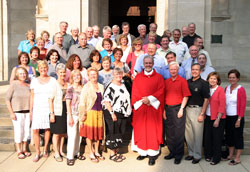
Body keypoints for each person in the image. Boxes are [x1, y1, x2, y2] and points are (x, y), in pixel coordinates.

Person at [131, 56, 165, 166]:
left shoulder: (159, 77)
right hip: (141, 107)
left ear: (153, 63)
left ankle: (152, 154)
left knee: (152, 130)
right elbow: (135, 92)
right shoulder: (138, 77)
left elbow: (161, 91)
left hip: (153, 108)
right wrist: (143, 100)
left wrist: (150, 99)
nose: (148, 65)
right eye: (146, 63)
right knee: (141, 129)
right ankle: (143, 152)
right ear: (143, 64)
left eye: (150, 63)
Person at [163, 62, 191, 165]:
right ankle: (172, 152)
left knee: (178, 133)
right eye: (171, 69)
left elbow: (186, 96)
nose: (173, 71)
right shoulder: (166, 82)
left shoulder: (183, 81)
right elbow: (163, 97)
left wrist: (181, 109)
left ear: (178, 70)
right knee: (169, 133)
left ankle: (178, 155)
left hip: (178, 109)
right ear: (169, 70)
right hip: (168, 109)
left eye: (175, 69)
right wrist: (164, 111)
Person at [103, 67, 132, 162]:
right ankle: (112, 154)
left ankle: (117, 152)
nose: (119, 76)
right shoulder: (111, 86)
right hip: (113, 113)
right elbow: (107, 101)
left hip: (123, 113)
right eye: (117, 74)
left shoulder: (123, 84)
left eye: (120, 74)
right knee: (114, 133)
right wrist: (112, 113)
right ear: (113, 75)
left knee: (121, 132)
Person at [30, 60, 57, 162]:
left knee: (47, 129)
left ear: (47, 68)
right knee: (35, 130)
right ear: (38, 69)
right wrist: (31, 110)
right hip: (37, 108)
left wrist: (52, 112)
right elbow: (31, 96)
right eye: (41, 68)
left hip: (48, 107)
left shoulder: (53, 80)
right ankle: (37, 152)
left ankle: (45, 149)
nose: (43, 69)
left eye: (45, 67)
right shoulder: (34, 81)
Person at [185, 63, 210, 164]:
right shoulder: (187, 82)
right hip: (187, 109)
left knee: (198, 134)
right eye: (193, 69)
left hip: (198, 110)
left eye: (196, 70)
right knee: (189, 134)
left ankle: (197, 155)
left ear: (200, 71)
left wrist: (202, 113)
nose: (194, 71)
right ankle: (191, 153)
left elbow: (206, 100)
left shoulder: (204, 83)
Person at [79, 67, 105, 163]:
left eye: (95, 74)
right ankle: (90, 152)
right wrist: (83, 114)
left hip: (99, 112)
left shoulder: (101, 86)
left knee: (98, 134)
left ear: (97, 75)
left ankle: (97, 151)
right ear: (88, 76)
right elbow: (82, 102)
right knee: (90, 135)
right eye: (91, 75)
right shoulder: (86, 86)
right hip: (90, 112)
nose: (93, 76)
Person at [6, 67, 32, 159]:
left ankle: (25, 149)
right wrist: (11, 112)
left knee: (26, 132)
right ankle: (19, 150)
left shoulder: (28, 86)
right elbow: (7, 99)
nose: (23, 75)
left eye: (24, 73)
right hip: (17, 112)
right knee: (18, 131)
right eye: (20, 74)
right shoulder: (14, 85)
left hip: (28, 112)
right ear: (17, 75)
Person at [225, 69, 246, 165]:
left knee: (238, 137)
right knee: (229, 136)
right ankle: (230, 155)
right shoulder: (226, 88)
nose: (231, 79)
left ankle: (237, 158)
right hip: (228, 117)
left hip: (237, 117)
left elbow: (242, 105)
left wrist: (239, 119)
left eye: (233, 77)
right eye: (230, 77)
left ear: (238, 78)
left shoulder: (241, 89)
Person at [204, 72, 226, 165]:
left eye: (214, 79)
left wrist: (218, 119)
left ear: (218, 80)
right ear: (208, 79)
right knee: (207, 138)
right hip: (208, 117)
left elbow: (222, 105)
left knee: (217, 139)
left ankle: (216, 158)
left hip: (218, 118)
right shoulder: (207, 89)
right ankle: (208, 155)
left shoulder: (220, 90)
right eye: (211, 78)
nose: (212, 80)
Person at [49, 63, 68, 162]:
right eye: (60, 72)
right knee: (56, 133)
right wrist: (51, 113)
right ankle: (56, 152)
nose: (62, 74)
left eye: (64, 72)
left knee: (63, 133)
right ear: (57, 73)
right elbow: (50, 99)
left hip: (65, 110)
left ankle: (61, 151)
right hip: (57, 110)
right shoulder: (54, 84)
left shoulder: (67, 84)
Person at [66, 69, 85, 166]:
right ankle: (70, 156)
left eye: (78, 76)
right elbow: (68, 103)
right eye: (75, 76)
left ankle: (76, 153)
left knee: (79, 135)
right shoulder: (70, 88)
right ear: (72, 77)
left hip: (81, 114)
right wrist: (70, 117)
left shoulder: (83, 88)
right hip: (72, 114)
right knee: (72, 135)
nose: (77, 77)